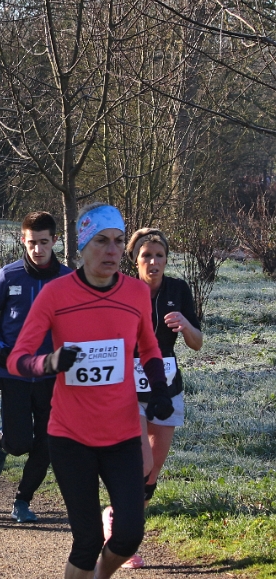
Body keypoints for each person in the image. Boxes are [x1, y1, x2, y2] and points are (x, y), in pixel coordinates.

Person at [5, 203, 173, 578]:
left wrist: (159, 389)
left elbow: (149, 348)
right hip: (71, 437)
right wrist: (49, 363)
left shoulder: (136, 293)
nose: (112, 251)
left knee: (129, 535)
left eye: (118, 241)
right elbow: (18, 359)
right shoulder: (56, 293)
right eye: (101, 241)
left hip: (122, 434)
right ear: (82, 246)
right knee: (87, 540)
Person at [116, 228, 202, 569]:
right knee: (142, 463)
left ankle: (120, 521)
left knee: (152, 473)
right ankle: (124, 541)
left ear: (167, 259)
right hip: (129, 387)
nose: (153, 262)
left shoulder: (178, 289)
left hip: (166, 387)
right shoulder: (121, 288)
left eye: (159, 255)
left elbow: (197, 343)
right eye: (146, 256)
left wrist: (185, 324)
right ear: (134, 260)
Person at [0, 211, 72, 523]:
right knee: (20, 443)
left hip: (52, 374)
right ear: (23, 240)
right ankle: (3, 440)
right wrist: (0, 350)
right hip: (14, 372)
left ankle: (22, 500)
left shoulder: (68, 279)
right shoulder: (9, 275)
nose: (37, 249)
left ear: (55, 241)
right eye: (32, 242)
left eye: (44, 242)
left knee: (47, 442)